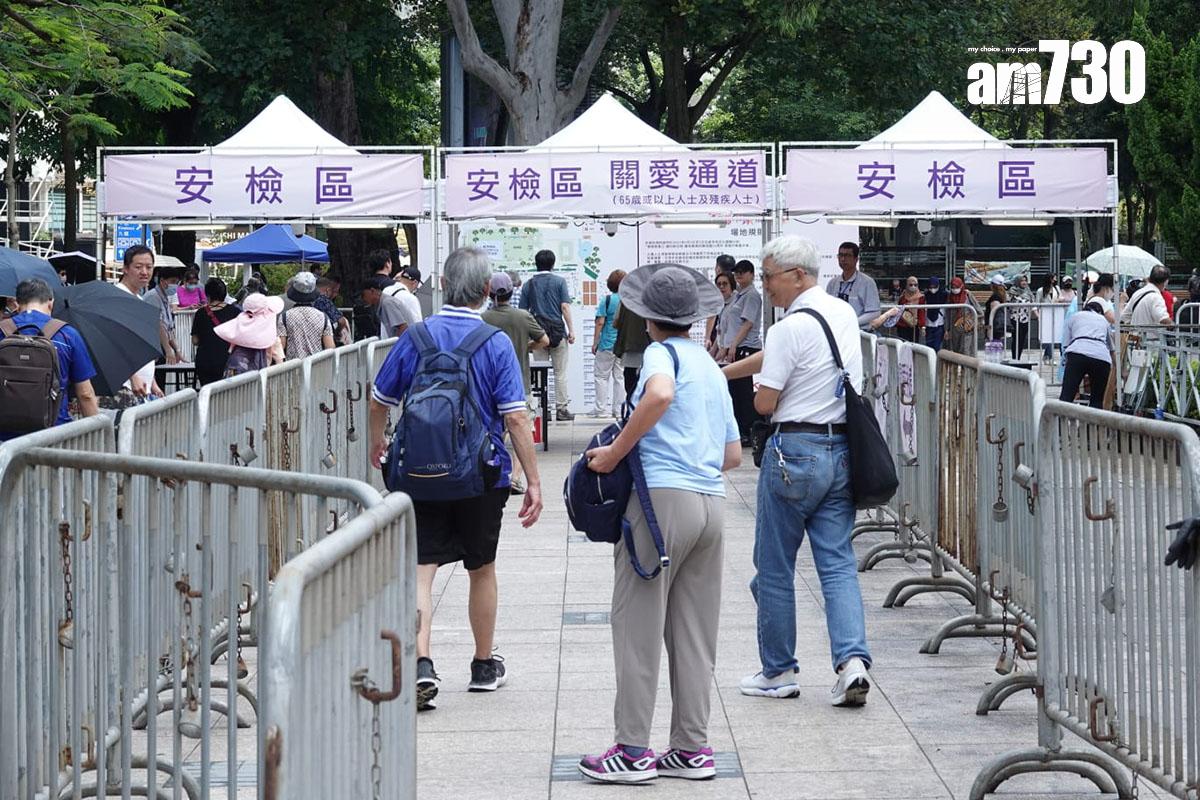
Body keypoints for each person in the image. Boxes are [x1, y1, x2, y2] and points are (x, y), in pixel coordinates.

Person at [577, 263, 740, 784]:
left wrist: (614, 451)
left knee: (637, 624)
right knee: (694, 633)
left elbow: (661, 395)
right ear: (692, 316)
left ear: (647, 317)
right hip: (711, 504)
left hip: (661, 503)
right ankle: (691, 748)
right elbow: (733, 455)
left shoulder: (659, 354)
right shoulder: (710, 366)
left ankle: (631, 750)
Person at [367, 247, 543, 711]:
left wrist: (376, 444)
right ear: (486, 289)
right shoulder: (494, 342)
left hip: (418, 473)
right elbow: (515, 417)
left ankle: (421, 663)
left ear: (443, 285)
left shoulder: (416, 336)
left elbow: (379, 397)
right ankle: (483, 665)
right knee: (480, 567)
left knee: (421, 569)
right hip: (480, 476)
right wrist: (533, 479)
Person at [722, 235, 871, 707]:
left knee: (774, 567)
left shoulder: (787, 328)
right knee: (838, 564)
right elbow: (785, 359)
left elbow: (765, 402)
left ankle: (779, 670)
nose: (764, 285)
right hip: (842, 451)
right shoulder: (841, 314)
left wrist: (764, 391)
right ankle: (852, 664)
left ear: (798, 275)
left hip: (794, 453)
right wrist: (723, 373)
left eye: (769, 276)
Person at [0, 278, 99, 440]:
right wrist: (97, 437)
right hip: (53, 434)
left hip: (6, 437)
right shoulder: (68, 335)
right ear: (51, 303)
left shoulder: (2, 331)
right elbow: (85, 394)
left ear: (17, 303)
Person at [482, 271, 548, 494]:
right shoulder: (522, 316)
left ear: (489, 293)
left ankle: (495, 472)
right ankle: (517, 478)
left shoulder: (483, 318)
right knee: (523, 430)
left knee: (495, 432)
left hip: (490, 384)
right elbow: (544, 340)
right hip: (520, 382)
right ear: (512, 292)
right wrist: (525, 347)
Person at [518, 249, 575, 420]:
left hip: (537, 334)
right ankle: (561, 409)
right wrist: (571, 330)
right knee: (560, 373)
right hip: (558, 332)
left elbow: (523, 312)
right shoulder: (559, 282)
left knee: (539, 373)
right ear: (553, 264)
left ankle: (543, 409)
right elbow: (564, 307)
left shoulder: (528, 285)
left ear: (536, 264)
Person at [106, 245, 164, 405]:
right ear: (125, 268)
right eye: (138, 267)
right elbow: (114, 343)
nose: (144, 272)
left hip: (143, 387)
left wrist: (152, 383)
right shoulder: (116, 299)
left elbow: (139, 347)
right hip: (124, 387)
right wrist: (132, 376)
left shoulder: (139, 300)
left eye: (149, 267)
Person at [723, 259, 763, 443]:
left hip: (747, 347)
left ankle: (748, 430)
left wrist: (733, 345)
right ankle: (740, 429)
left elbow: (748, 323)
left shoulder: (751, 295)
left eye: (742, 271)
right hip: (737, 347)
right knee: (736, 391)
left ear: (751, 274)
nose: (738, 275)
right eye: (736, 272)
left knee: (745, 392)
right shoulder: (738, 295)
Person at [1060, 292, 1114, 408]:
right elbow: (1111, 347)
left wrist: (1065, 361)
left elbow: (1065, 343)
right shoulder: (1104, 321)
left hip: (1077, 352)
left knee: (1067, 396)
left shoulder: (1075, 317)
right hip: (1101, 357)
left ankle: (1060, 418)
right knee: (1097, 399)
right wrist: (1115, 366)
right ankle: (1093, 420)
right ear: (1100, 311)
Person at [215, 293, 285, 377]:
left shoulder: (239, 327)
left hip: (235, 371)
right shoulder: (270, 334)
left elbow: (231, 349)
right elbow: (279, 360)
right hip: (259, 375)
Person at [190, 278, 242, 385]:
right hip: (227, 360)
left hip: (205, 361)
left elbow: (195, 340)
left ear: (208, 294)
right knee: (226, 391)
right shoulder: (235, 312)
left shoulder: (201, 313)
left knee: (207, 391)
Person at [592, 270, 626, 417]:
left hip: (606, 343)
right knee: (620, 377)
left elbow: (600, 322)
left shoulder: (607, 300)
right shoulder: (628, 301)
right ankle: (618, 410)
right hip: (623, 345)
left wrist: (595, 342)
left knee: (601, 377)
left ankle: (601, 409)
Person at [278, 271, 335, 360]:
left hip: (293, 365)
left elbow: (281, 346)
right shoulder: (323, 317)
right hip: (316, 364)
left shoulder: (285, 317)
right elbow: (330, 347)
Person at [826, 242, 882, 331]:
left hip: (860, 332)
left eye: (847, 255)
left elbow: (875, 312)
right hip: (837, 331)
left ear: (856, 259)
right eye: (840, 255)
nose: (843, 259)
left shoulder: (867, 282)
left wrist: (852, 322)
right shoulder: (832, 283)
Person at [143, 267, 183, 365]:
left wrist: (176, 350)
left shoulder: (165, 297)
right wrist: (168, 349)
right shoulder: (153, 297)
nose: (175, 285)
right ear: (162, 281)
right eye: (172, 281)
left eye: (177, 282)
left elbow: (168, 328)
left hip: (162, 344)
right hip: (153, 345)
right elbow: (158, 324)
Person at [613, 303, 649, 400]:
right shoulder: (650, 298)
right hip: (648, 344)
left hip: (629, 343)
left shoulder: (626, 301)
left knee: (629, 376)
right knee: (648, 374)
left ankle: (632, 402)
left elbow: (616, 322)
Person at [1121, 265, 1173, 329]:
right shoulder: (1156, 297)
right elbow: (1163, 319)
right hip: (1150, 335)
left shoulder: (1137, 293)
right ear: (1165, 282)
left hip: (1134, 334)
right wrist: (1173, 324)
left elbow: (1124, 316)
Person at [944, 277, 982, 356]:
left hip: (967, 328)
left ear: (961, 286)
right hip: (955, 330)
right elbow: (947, 314)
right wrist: (946, 330)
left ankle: (968, 364)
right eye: (953, 287)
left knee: (966, 350)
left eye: (957, 287)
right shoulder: (950, 297)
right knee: (956, 352)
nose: (954, 289)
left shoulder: (967, 295)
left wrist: (971, 321)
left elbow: (979, 311)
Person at [314, 276, 351, 345]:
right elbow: (342, 321)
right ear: (328, 290)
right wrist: (337, 331)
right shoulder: (325, 301)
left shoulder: (309, 300)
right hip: (326, 339)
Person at [709, 272, 737, 362]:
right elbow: (720, 330)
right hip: (722, 349)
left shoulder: (737, 303)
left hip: (733, 350)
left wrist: (724, 350)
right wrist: (713, 351)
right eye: (719, 284)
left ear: (732, 285)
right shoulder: (722, 303)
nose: (721, 287)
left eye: (725, 284)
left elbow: (733, 331)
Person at [1009, 274, 1034, 359]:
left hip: (1025, 319)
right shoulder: (1012, 291)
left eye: (1025, 280)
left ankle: (1018, 358)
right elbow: (1008, 302)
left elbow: (1032, 301)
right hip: (1015, 318)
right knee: (1016, 339)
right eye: (1022, 280)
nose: (1024, 282)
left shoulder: (1028, 291)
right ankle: (1014, 358)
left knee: (1022, 340)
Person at [895, 276, 925, 344]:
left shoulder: (921, 298)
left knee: (913, 345)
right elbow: (899, 310)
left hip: (914, 325)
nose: (913, 287)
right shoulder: (902, 297)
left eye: (915, 285)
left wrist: (922, 325)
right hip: (902, 325)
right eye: (910, 285)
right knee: (903, 344)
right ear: (907, 285)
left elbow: (921, 312)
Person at [923, 276, 947, 351]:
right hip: (928, 324)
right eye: (930, 287)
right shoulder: (926, 295)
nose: (932, 289)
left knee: (937, 346)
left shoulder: (944, 294)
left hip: (939, 324)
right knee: (929, 347)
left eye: (934, 287)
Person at [986, 274, 1009, 351]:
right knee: (998, 346)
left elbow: (993, 313)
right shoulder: (1002, 295)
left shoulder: (995, 297)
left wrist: (989, 327)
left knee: (993, 348)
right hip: (999, 326)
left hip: (994, 327)